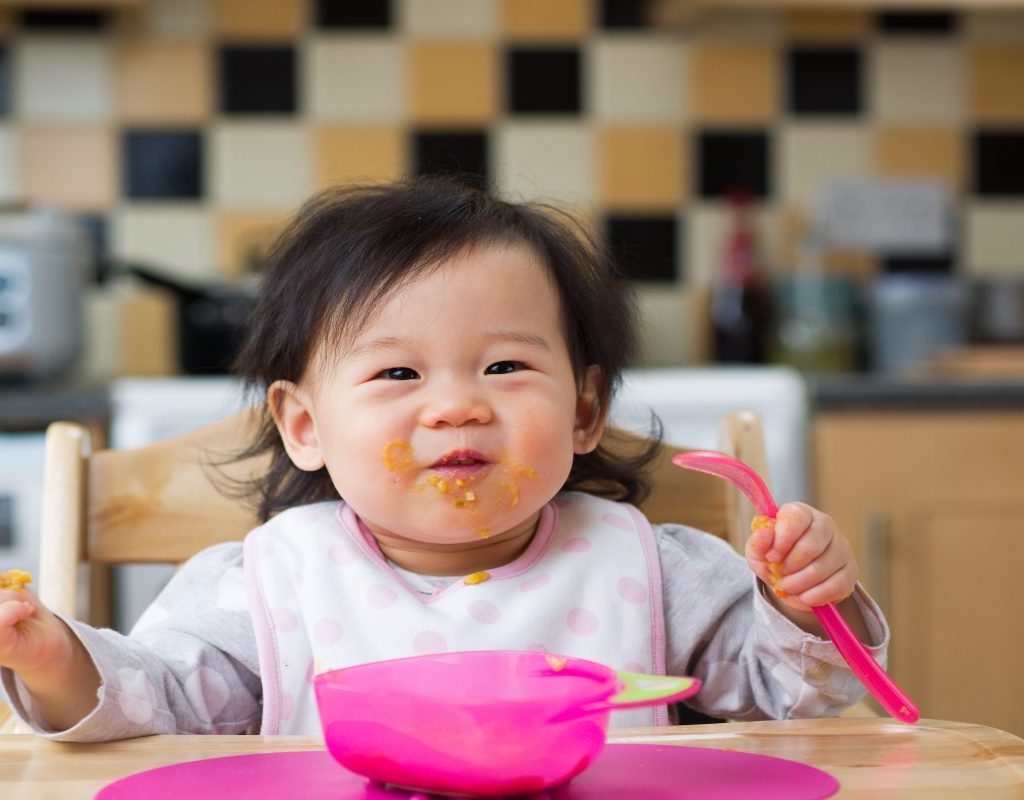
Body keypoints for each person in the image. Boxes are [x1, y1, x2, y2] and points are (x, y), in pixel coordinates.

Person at [0, 176, 887, 740]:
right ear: (303, 425)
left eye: (505, 366)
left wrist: (807, 604)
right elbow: (151, 700)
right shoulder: (265, 585)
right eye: (396, 371)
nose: (458, 403)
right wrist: (49, 658)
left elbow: (797, 702)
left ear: (584, 409)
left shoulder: (656, 567)